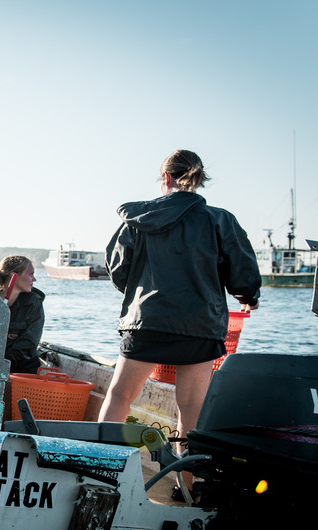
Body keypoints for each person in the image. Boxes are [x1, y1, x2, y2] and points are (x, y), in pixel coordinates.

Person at [97, 149, 261, 497]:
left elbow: (118, 268)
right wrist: (248, 295)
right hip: (199, 326)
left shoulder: (138, 218)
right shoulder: (220, 220)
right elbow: (242, 269)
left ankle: (102, 473)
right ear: (199, 180)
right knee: (191, 410)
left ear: (166, 178)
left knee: (120, 396)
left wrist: (141, 291)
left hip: (147, 321)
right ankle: (183, 488)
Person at [0, 256, 45, 374]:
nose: (34, 279)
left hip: (22, 370)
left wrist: (4, 363)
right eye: (30, 274)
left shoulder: (33, 303)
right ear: (14, 275)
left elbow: (29, 343)